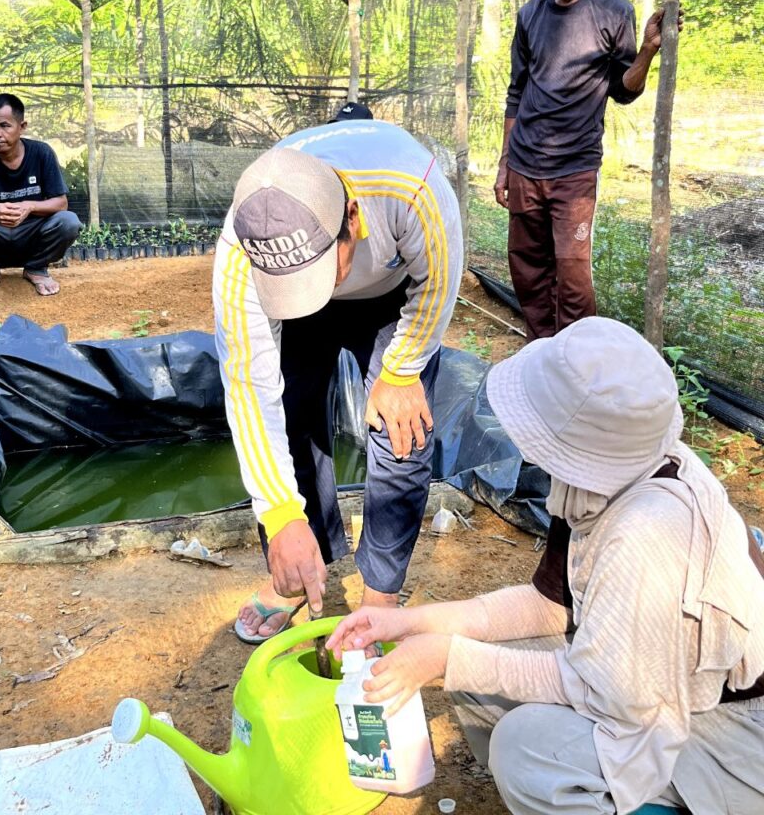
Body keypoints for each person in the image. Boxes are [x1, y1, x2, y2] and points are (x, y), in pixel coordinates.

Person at [327, 317, 764, 815]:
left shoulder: (646, 531)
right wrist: (411, 622)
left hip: (734, 730)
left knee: (525, 748)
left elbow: (609, 693)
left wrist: (448, 658)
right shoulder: (604, 474)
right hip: (648, 683)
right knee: (479, 670)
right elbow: (547, 607)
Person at [213, 108, 462, 642]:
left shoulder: (411, 190)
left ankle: (380, 597)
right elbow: (249, 388)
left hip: (393, 295)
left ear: (352, 219)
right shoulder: (243, 246)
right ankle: (299, 573)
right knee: (293, 411)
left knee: (401, 430)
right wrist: (280, 513)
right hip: (294, 283)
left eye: (321, 275)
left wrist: (402, 368)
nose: (316, 295)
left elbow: (439, 282)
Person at [493, 0, 683, 341]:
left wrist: (648, 51)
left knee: (573, 276)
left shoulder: (613, 11)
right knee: (527, 269)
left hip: (574, 169)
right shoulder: (530, 14)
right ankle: (540, 351)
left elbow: (624, 89)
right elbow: (516, 91)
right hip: (524, 164)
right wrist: (505, 164)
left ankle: (577, 357)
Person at [0, 93, 81, 296]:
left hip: (32, 234)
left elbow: (61, 203)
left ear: (22, 126)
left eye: (4, 125)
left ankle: (36, 267)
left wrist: (30, 206)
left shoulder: (41, 153)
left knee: (68, 222)